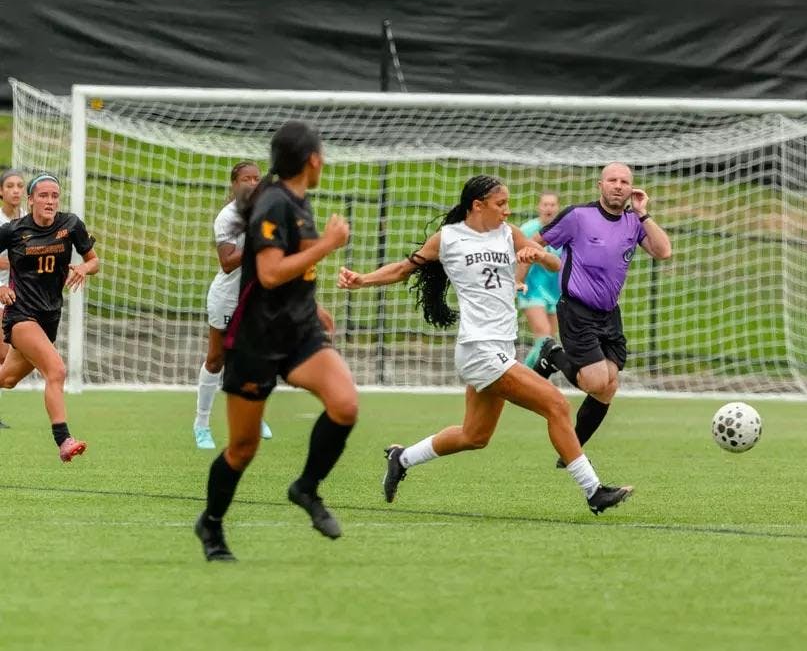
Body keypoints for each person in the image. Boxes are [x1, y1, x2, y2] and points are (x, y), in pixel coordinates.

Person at [337, 175, 633, 516]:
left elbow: (555, 263)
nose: (507, 211)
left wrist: (535, 256)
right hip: (479, 349)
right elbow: (404, 270)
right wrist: (362, 280)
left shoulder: (508, 234)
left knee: (474, 435)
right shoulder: (448, 238)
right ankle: (593, 491)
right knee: (556, 404)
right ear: (477, 206)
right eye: (500, 204)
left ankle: (401, 458)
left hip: (500, 348)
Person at [195, 121, 356, 562]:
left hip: (299, 329)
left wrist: (315, 301)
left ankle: (306, 488)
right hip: (256, 339)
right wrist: (327, 245)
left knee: (344, 404)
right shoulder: (272, 204)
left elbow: (294, 268)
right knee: (242, 448)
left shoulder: (300, 204)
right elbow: (268, 273)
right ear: (312, 160)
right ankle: (210, 525)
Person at [529, 163, 672, 465]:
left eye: (624, 181)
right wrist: (523, 271)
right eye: (612, 180)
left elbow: (663, 251)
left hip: (608, 313)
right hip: (576, 308)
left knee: (608, 387)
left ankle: (570, 451)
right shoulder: (578, 216)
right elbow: (535, 243)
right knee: (595, 382)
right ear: (600, 185)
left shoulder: (634, 222)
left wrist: (643, 212)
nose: (618, 185)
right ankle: (551, 353)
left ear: (631, 188)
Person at [0, 174, 100, 459]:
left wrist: (84, 268)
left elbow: (94, 260)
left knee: (7, 379)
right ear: (30, 200)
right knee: (56, 370)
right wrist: (0, 288)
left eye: (54, 195)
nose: (50, 201)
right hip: (20, 316)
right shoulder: (13, 230)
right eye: (43, 195)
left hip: (49, 318)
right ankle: (64, 440)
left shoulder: (70, 225)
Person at [192, 161, 273, 449]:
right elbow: (227, 263)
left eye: (256, 178)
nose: (252, 183)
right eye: (246, 179)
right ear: (234, 184)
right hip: (227, 297)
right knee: (216, 359)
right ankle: (201, 424)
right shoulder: (226, 217)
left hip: (257, 296)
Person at [517, 191, 562, 368]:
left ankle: (537, 378)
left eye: (552, 205)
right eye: (545, 204)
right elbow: (517, 256)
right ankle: (526, 378)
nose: (549, 208)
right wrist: (518, 280)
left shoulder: (563, 231)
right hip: (532, 291)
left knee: (550, 342)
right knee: (543, 337)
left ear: (557, 208)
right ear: (539, 207)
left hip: (556, 291)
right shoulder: (528, 230)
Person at [0, 169, 26, 429]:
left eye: (20, 185)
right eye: (10, 185)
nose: (16, 190)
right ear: (1, 191)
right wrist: (20, 261)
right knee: (4, 353)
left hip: (13, 296)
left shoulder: (27, 221)